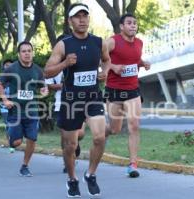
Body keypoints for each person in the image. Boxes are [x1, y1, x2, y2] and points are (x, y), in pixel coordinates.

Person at [44, 3, 112, 198]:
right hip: (71, 101)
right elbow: (47, 71)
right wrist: (65, 63)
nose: (82, 20)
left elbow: (107, 60)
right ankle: (72, 179)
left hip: (92, 97)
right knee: (70, 146)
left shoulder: (99, 42)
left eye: (85, 16)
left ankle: (90, 174)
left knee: (99, 137)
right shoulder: (63, 44)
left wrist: (105, 72)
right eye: (77, 16)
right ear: (70, 21)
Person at [104, 13, 151, 178]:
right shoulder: (111, 41)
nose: (133, 26)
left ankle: (133, 164)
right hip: (114, 91)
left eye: (135, 23)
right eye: (129, 23)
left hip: (133, 90)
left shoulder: (139, 42)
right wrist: (113, 67)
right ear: (122, 26)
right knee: (115, 129)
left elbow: (134, 60)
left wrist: (142, 63)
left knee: (134, 126)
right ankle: (102, 133)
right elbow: (98, 59)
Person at [0, 41, 49, 177]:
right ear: (19, 54)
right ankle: (10, 134)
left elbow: (42, 86)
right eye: (24, 51)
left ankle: (25, 166)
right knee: (17, 142)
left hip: (32, 111)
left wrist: (44, 90)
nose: (27, 53)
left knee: (32, 139)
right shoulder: (12, 69)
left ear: (32, 53)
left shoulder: (37, 70)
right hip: (16, 111)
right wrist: (5, 100)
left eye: (29, 51)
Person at [45, 70, 86, 173]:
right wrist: (66, 85)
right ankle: (68, 162)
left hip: (80, 101)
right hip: (61, 103)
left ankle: (74, 143)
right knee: (65, 137)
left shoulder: (80, 61)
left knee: (80, 134)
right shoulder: (55, 66)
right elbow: (49, 85)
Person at [0, 59, 14, 153]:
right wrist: (0, 91)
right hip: (4, 106)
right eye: (6, 65)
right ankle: (11, 145)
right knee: (8, 124)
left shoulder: (17, 78)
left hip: (16, 105)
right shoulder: (0, 79)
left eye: (10, 65)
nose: (8, 67)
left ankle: (14, 141)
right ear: (3, 67)